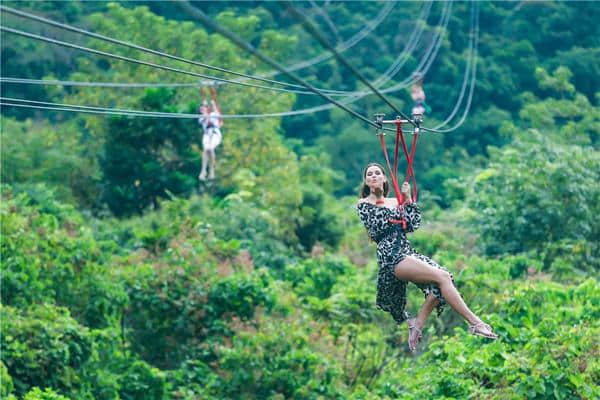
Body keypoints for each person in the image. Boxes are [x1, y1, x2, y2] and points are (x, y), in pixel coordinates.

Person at [356, 162, 498, 352]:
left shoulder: (395, 201)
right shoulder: (364, 204)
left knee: (442, 281)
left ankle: (417, 325)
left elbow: (413, 224)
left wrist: (407, 200)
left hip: (406, 251)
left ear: (384, 178)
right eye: (369, 174)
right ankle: (475, 323)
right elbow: (380, 225)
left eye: (377, 173)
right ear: (366, 182)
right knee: (441, 277)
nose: (373, 176)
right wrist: (396, 205)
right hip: (391, 256)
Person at [198, 86, 223, 181]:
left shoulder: (214, 114)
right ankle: (203, 170)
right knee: (206, 148)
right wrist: (204, 110)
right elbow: (205, 118)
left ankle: (211, 170)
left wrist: (212, 103)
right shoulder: (201, 118)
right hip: (207, 134)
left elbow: (215, 107)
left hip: (215, 133)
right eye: (201, 109)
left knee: (210, 148)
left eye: (203, 109)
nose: (202, 110)